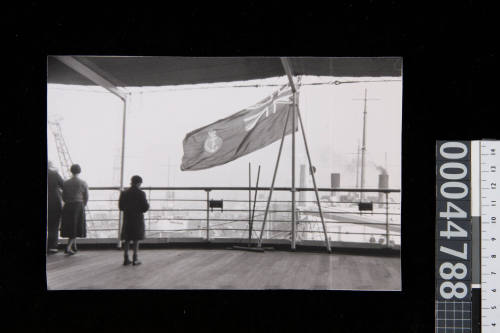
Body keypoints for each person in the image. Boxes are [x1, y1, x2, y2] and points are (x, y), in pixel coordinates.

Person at [119, 175, 149, 266]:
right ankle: (135, 258)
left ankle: (126, 258)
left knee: (127, 239)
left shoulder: (124, 193)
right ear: (139, 183)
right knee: (136, 239)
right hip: (137, 218)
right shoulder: (141, 193)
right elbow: (145, 208)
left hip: (127, 218)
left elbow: (121, 207)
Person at [61, 164, 88, 255]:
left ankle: (74, 246)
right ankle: (68, 247)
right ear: (79, 171)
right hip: (78, 205)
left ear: (71, 171)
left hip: (68, 205)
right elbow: (86, 197)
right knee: (76, 226)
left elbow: (63, 197)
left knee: (71, 226)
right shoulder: (83, 183)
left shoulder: (66, 183)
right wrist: (83, 205)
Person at [47, 161, 64, 254]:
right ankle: (52, 246)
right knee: (53, 225)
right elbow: (63, 185)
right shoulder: (54, 174)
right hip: (54, 202)